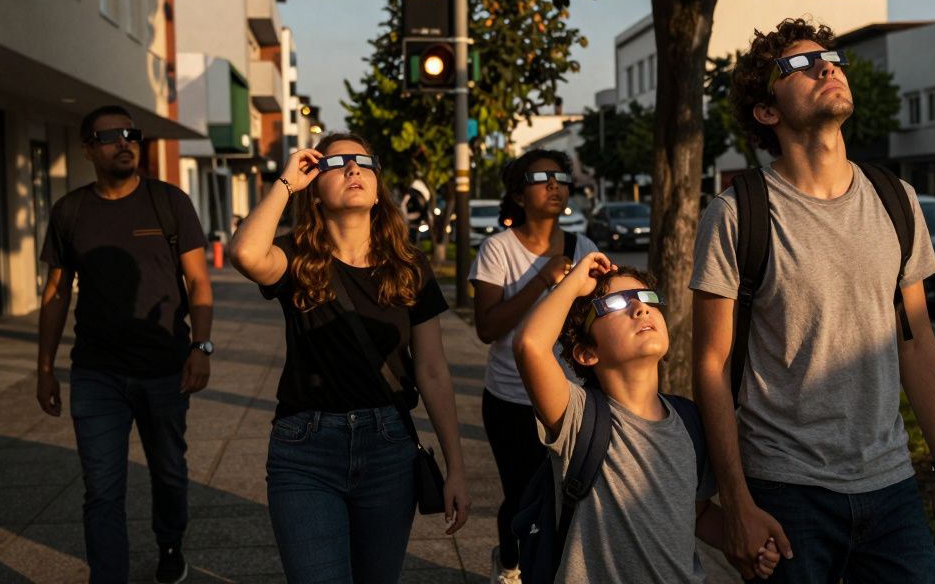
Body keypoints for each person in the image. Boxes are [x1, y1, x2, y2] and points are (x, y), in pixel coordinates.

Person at [692, 18, 935, 583]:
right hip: (785, 487)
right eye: (798, 65)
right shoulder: (737, 213)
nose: (826, 66)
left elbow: (915, 340)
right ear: (767, 112)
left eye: (831, 58)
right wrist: (737, 502)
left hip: (891, 485)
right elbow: (711, 365)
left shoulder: (897, 199)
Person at [227, 133, 470, 583]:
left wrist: (456, 467)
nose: (353, 169)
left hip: (389, 449)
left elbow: (432, 370)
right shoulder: (297, 257)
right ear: (315, 189)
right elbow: (245, 253)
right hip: (305, 450)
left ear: (379, 187)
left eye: (363, 162)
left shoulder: (410, 265)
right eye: (336, 162)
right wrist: (284, 181)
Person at [514, 255, 780, 583]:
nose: (640, 308)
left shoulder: (690, 422)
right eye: (613, 303)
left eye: (645, 298)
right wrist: (574, 283)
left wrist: (748, 542)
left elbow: (696, 514)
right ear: (586, 352)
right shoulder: (578, 418)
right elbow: (530, 346)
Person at [36, 105, 213, 584]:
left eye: (131, 134)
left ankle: (170, 543)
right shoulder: (70, 211)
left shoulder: (169, 202)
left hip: (164, 368)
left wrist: (202, 347)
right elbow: (54, 295)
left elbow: (198, 282)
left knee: (170, 472)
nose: (124, 142)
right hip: (97, 373)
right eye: (109, 136)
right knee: (101, 489)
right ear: (88, 149)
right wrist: (45, 368)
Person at [468, 149, 598, 583]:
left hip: (570, 399)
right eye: (541, 178)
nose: (554, 185)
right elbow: (487, 328)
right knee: (521, 495)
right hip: (510, 399)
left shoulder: (584, 249)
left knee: (567, 496)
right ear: (519, 195)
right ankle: (509, 563)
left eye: (561, 177)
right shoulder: (497, 250)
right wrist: (544, 278)